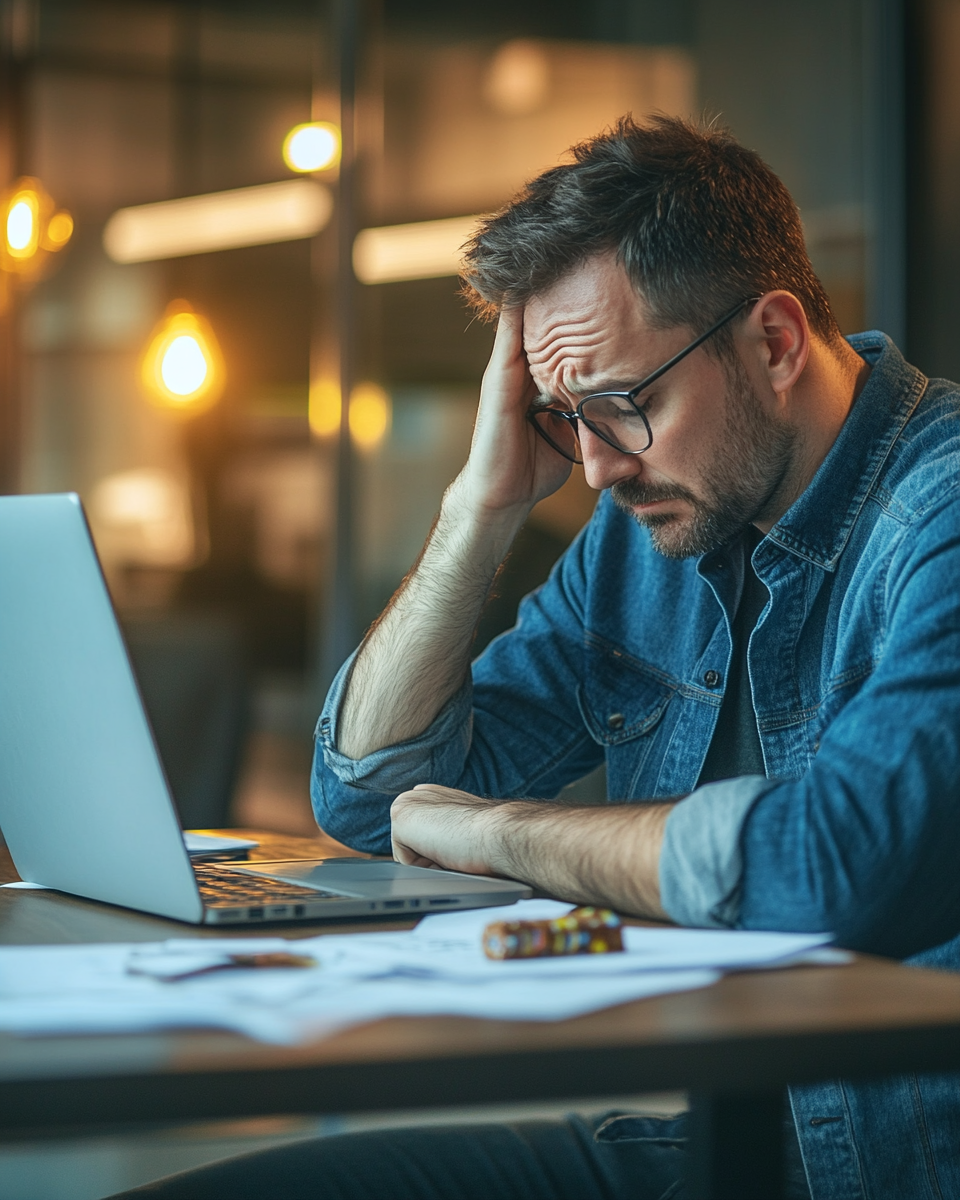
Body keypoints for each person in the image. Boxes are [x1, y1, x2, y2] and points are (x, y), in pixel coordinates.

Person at [115, 116, 960, 1200]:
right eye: (566, 419)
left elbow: (837, 863)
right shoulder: (649, 530)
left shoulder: (937, 512)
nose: (598, 469)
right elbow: (374, 798)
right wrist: (482, 505)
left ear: (777, 342)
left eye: (624, 406)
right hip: (727, 1146)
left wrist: (500, 832)